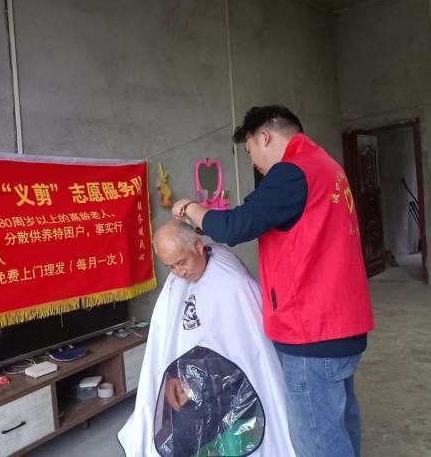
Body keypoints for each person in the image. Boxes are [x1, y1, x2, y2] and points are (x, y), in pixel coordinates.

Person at [172, 105, 374, 457]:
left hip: (313, 329)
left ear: (264, 136)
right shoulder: (326, 166)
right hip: (342, 322)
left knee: (316, 440)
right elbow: (255, 211)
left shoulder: (293, 171)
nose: (255, 163)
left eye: (250, 151)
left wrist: (191, 208)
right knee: (339, 425)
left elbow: (235, 226)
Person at [118, 221, 295, 457]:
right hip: (191, 380)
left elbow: (247, 353)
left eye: (182, 262)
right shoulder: (175, 284)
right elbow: (168, 342)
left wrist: (197, 383)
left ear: (198, 245)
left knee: (198, 428)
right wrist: (172, 376)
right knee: (168, 432)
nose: (179, 272)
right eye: (171, 267)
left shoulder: (233, 284)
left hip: (232, 383)